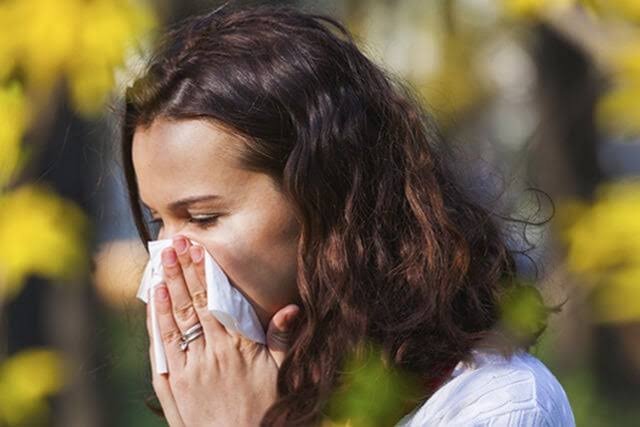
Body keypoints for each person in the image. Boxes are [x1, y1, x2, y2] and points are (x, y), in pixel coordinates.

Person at [119, 3, 576, 426]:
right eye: (159, 221)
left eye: (202, 218)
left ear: (326, 198)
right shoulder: (264, 390)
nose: (166, 262)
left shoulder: (497, 404)